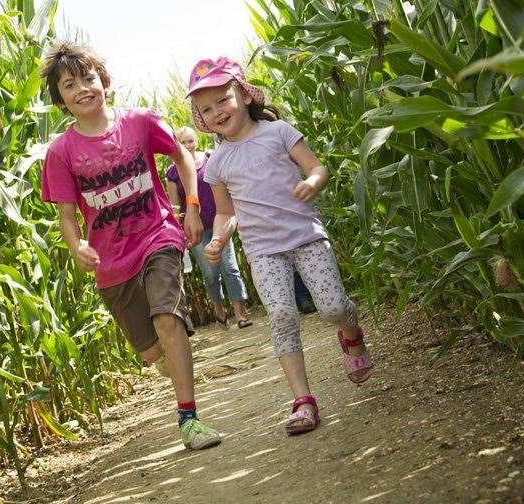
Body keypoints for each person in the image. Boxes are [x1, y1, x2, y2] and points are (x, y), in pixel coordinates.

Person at [39, 42, 221, 450]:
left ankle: (188, 418)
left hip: (158, 234)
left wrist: (190, 207)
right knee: (153, 352)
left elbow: (182, 157)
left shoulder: (139, 122)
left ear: (104, 80)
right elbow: (67, 216)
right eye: (70, 84)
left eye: (88, 78)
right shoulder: (62, 152)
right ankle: (177, 370)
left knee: (167, 319)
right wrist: (76, 246)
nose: (83, 88)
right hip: (112, 262)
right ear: (60, 98)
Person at [187, 56, 373, 436]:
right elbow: (225, 211)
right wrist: (220, 237)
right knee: (283, 316)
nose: (216, 112)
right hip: (262, 250)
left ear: (242, 92)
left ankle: (351, 333)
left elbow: (317, 167)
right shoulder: (217, 163)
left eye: (223, 99)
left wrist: (313, 183)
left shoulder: (279, 132)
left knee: (334, 307)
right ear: (201, 119)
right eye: (206, 109)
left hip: (306, 236)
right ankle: (303, 401)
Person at [166, 126, 253, 330]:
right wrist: (179, 229)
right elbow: (175, 204)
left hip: (219, 223)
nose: (188, 146)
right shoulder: (172, 172)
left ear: (196, 141)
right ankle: (219, 311)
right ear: (177, 144)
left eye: (191, 141)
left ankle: (241, 313)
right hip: (195, 230)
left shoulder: (210, 159)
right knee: (211, 273)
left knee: (230, 268)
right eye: (183, 142)